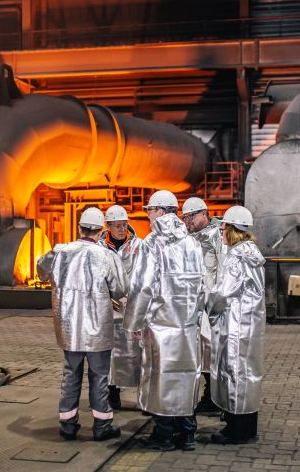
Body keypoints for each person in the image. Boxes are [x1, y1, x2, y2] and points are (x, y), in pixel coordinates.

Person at [37, 207, 128, 442]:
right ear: (101, 231)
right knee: (99, 377)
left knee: (71, 375)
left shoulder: (60, 251)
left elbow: (41, 271)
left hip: (69, 329)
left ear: (79, 228)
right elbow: (120, 289)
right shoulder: (107, 256)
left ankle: (68, 426)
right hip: (98, 329)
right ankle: (101, 426)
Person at [124, 190, 204, 451]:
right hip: (187, 326)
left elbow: (142, 286)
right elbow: (202, 286)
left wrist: (134, 322)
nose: (148, 215)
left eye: (149, 210)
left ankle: (164, 435)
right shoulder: (192, 243)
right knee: (185, 376)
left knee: (161, 378)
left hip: (160, 325)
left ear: (160, 211)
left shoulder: (152, 243)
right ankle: (187, 433)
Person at [207, 205, 265, 445]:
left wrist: (207, 306)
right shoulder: (252, 252)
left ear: (231, 230)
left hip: (235, 325)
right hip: (250, 325)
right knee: (248, 375)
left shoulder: (236, 256)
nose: (221, 234)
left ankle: (236, 431)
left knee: (234, 374)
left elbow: (223, 293)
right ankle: (249, 428)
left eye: (223, 229)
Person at [181, 196, 224, 414]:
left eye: (192, 216)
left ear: (204, 213)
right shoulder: (185, 238)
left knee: (212, 350)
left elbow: (224, 268)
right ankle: (205, 395)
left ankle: (213, 397)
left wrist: (219, 299)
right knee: (198, 352)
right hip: (192, 304)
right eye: (185, 217)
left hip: (211, 304)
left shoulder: (217, 235)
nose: (188, 220)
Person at [99, 205, 143, 409]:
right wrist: (108, 297)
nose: (121, 229)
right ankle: (112, 394)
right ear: (108, 227)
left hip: (132, 305)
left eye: (124, 225)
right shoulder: (100, 248)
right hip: (108, 308)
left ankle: (143, 397)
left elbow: (144, 273)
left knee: (138, 353)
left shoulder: (139, 246)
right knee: (110, 354)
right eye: (116, 226)